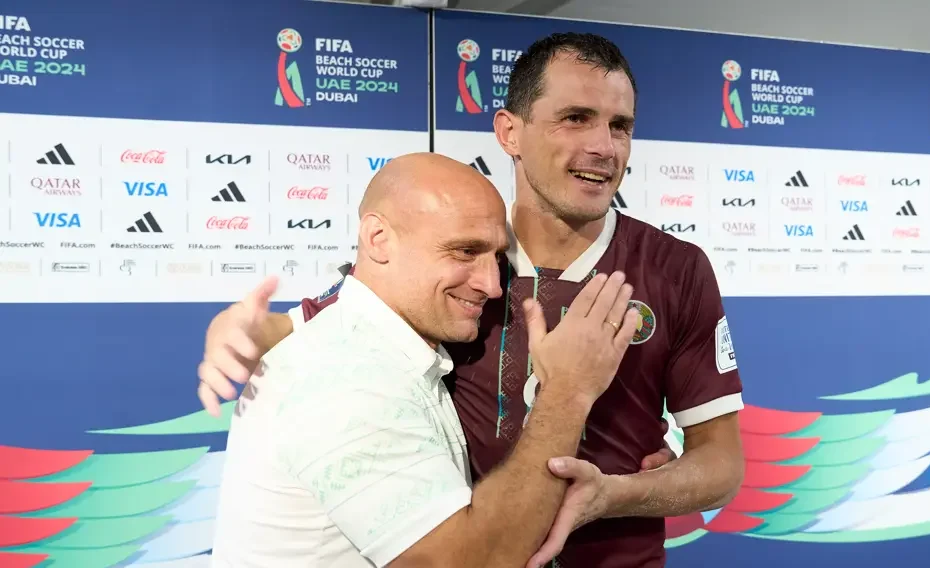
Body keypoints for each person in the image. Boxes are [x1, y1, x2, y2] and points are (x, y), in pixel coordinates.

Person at [200, 33, 746, 568]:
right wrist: (240, 330)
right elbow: (331, 327)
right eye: (575, 118)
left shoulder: (677, 268)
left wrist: (617, 495)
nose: (604, 146)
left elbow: (722, 463)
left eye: (620, 125)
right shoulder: (452, 263)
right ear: (509, 132)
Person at [210, 152, 641, 567]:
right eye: (465, 252)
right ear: (379, 239)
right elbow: (477, 563)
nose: (493, 285)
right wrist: (568, 391)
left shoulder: (384, 348)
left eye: (496, 257)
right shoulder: (347, 380)